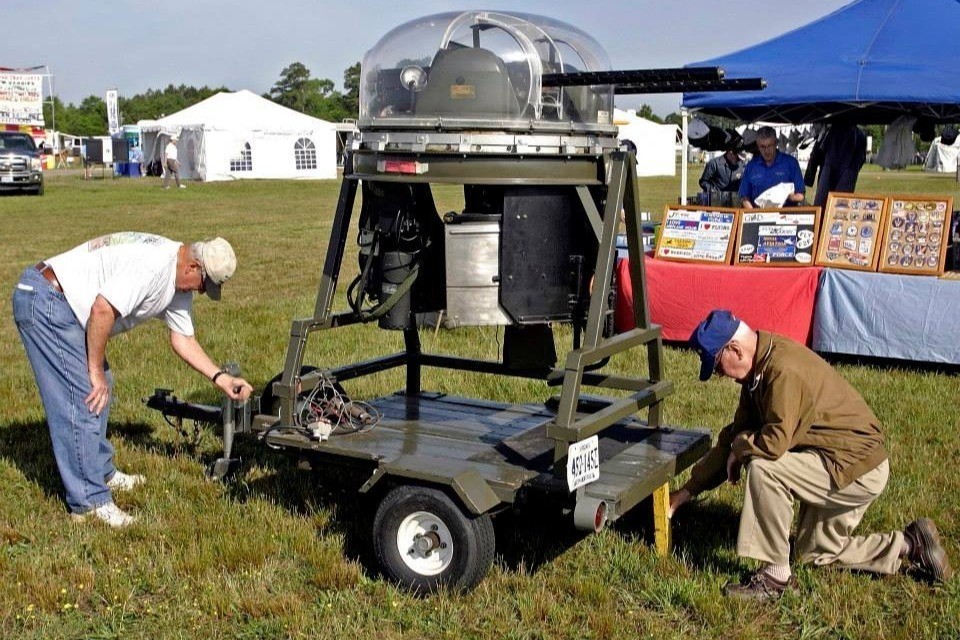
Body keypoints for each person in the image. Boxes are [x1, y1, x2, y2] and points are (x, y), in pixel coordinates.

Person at [670, 309, 952, 601]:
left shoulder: (782, 371)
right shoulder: (759, 371)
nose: (719, 375)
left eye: (717, 366)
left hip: (855, 469)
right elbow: (734, 435)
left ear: (735, 350)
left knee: (765, 468)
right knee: (814, 553)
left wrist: (742, 448)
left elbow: (773, 444)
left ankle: (775, 578)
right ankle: (911, 545)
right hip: (842, 463)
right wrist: (688, 491)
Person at [12, 233, 253, 527]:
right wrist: (94, 371)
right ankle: (89, 502)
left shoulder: (178, 282)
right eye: (205, 285)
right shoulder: (153, 266)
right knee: (85, 394)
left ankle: (100, 470)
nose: (202, 293)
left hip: (63, 304)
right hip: (46, 300)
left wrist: (221, 378)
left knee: (103, 386)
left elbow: (183, 339)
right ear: (192, 267)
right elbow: (102, 309)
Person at [738, 126, 805, 208]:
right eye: (762, 147)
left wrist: (787, 196)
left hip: (785, 216)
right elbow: (744, 197)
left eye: (769, 146)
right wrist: (753, 215)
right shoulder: (751, 166)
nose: (766, 151)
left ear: (776, 143)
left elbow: (801, 195)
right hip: (758, 215)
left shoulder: (791, 163)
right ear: (757, 146)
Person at [807, 124, 868, 207]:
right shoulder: (861, 135)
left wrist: (809, 178)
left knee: (824, 206)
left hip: (830, 174)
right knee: (840, 208)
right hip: (847, 175)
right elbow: (861, 159)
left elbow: (816, 155)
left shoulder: (831, 131)